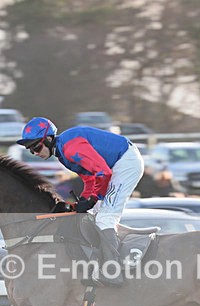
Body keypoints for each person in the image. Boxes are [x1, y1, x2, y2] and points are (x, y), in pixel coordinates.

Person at [16, 117, 144, 287]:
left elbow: (103, 173)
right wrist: (84, 200)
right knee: (93, 214)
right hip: (116, 164)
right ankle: (101, 261)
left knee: (105, 218)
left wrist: (92, 198)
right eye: (30, 150)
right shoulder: (62, 154)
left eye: (36, 147)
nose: (35, 153)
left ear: (48, 139)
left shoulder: (70, 149)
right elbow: (90, 179)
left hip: (125, 163)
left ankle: (114, 271)